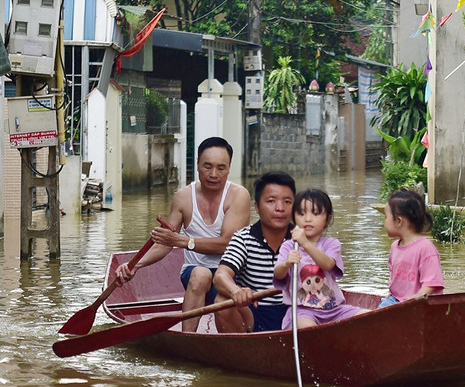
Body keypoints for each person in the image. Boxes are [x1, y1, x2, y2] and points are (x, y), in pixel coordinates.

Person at [114, 137, 251, 332]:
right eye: (207, 166)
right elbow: (165, 242)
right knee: (200, 273)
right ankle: (188, 338)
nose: (213, 174)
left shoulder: (239, 195)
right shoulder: (183, 197)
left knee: (224, 290)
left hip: (231, 274)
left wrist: (183, 241)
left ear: (229, 168)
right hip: (195, 275)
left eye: (221, 168)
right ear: (196, 164)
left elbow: (227, 244)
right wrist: (135, 265)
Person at [213, 171, 296, 333]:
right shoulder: (243, 238)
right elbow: (221, 276)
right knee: (222, 301)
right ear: (257, 207)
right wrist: (236, 291)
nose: (280, 208)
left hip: (295, 312)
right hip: (255, 313)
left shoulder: (303, 239)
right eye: (271, 201)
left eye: (287, 202)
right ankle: (240, 353)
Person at [273, 188, 368, 330]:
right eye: (301, 213)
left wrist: (305, 243)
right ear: (294, 217)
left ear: (327, 218)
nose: (308, 219)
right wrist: (287, 263)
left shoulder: (331, 244)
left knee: (368, 316)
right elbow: (278, 274)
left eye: (316, 213)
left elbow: (328, 264)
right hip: (303, 311)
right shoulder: (289, 246)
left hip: (334, 310)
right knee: (309, 328)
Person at [381, 187, 444, 307]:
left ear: (399, 221)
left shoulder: (425, 248)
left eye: (386, 217)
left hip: (420, 305)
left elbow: (431, 283)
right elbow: (394, 278)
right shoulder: (395, 247)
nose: (385, 222)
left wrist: (414, 299)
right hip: (397, 301)